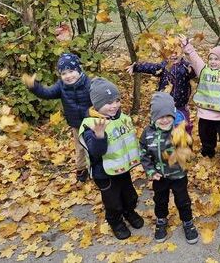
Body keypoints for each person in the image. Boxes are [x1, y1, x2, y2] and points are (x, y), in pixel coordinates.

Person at [78, 78, 143, 240]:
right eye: (108, 103)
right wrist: (99, 136)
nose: (114, 105)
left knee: (129, 194)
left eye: (117, 100)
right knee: (112, 201)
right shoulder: (91, 124)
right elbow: (95, 152)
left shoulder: (121, 117)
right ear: (97, 104)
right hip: (104, 172)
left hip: (122, 167)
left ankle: (129, 211)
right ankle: (115, 221)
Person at [140, 92, 199, 244]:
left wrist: (183, 147)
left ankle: (187, 222)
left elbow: (189, 154)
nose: (165, 120)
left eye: (168, 116)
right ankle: (161, 221)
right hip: (159, 177)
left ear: (173, 115)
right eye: (160, 116)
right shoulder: (147, 133)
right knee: (160, 200)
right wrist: (150, 171)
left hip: (178, 175)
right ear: (153, 117)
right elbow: (144, 154)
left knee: (183, 200)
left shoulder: (179, 131)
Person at [22, 52, 92, 182]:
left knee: (94, 147)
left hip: (93, 123)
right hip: (76, 125)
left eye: (71, 71)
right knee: (80, 148)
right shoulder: (61, 86)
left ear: (78, 69)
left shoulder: (89, 83)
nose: (68, 76)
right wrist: (34, 86)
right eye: (63, 73)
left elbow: (100, 98)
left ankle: (99, 171)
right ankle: (82, 171)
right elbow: (46, 93)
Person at [179, 35, 220, 157]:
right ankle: (208, 153)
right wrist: (186, 46)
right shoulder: (203, 69)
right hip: (205, 113)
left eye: (216, 59)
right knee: (206, 135)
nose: (213, 61)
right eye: (211, 58)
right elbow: (194, 58)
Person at [126, 51, 195, 134]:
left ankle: (183, 145)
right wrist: (136, 67)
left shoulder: (186, 66)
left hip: (180, 107)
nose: (173, 54)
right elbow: (151, 67)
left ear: (182, 52)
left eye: (177, 52)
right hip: (164, 108)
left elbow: (194, 73)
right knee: (162, 131)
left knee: (183, 132)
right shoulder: (164, 66)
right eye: (170, 52)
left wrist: (191, 67)